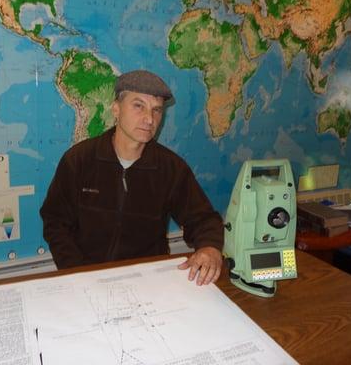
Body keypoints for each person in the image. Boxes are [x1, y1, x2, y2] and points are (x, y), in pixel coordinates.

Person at [40, 70, 223, 285]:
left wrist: (210, 247)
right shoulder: (79, 160)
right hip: (87, 277)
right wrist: (77, 272)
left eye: (157, 110)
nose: (149, 119)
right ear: (116, 109)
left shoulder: (170, 168)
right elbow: (55, 222)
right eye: (138, 106)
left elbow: (202, 218)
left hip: (148, 281)